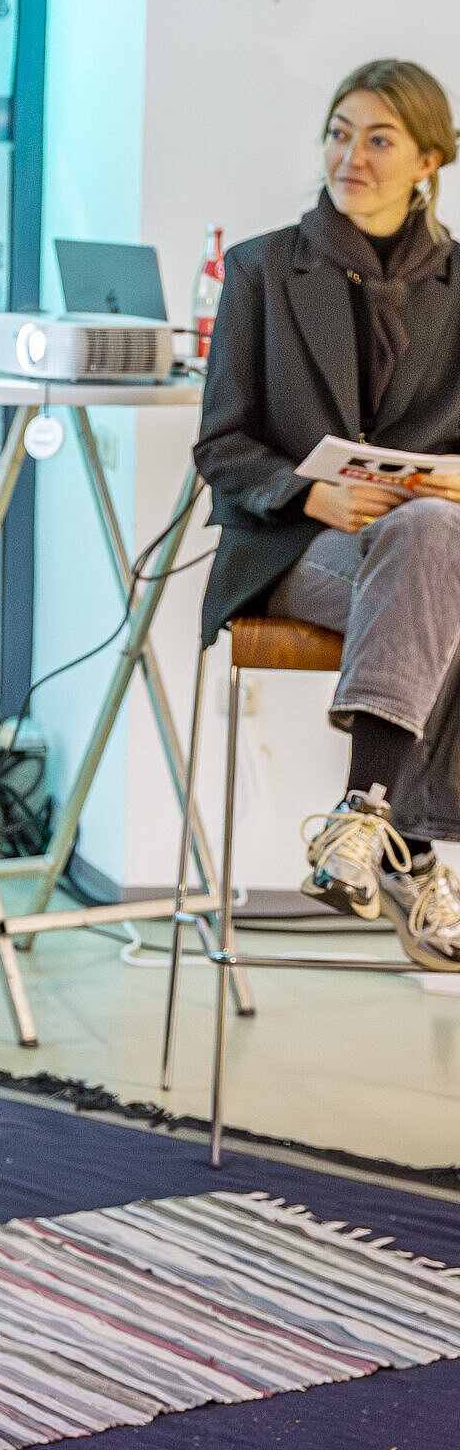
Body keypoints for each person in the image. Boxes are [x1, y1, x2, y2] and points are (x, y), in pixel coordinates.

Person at [196, 59, 460, 969]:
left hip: (423, 553)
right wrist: (313, 492)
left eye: (379, 139)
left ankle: (364, 821)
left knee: (431, 540)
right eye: (339, 133)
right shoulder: (262, 268)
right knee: (441, 576)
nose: (352, 156)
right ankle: (409, 853)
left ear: (429, 160)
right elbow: (221, 445)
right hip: (294, 547)